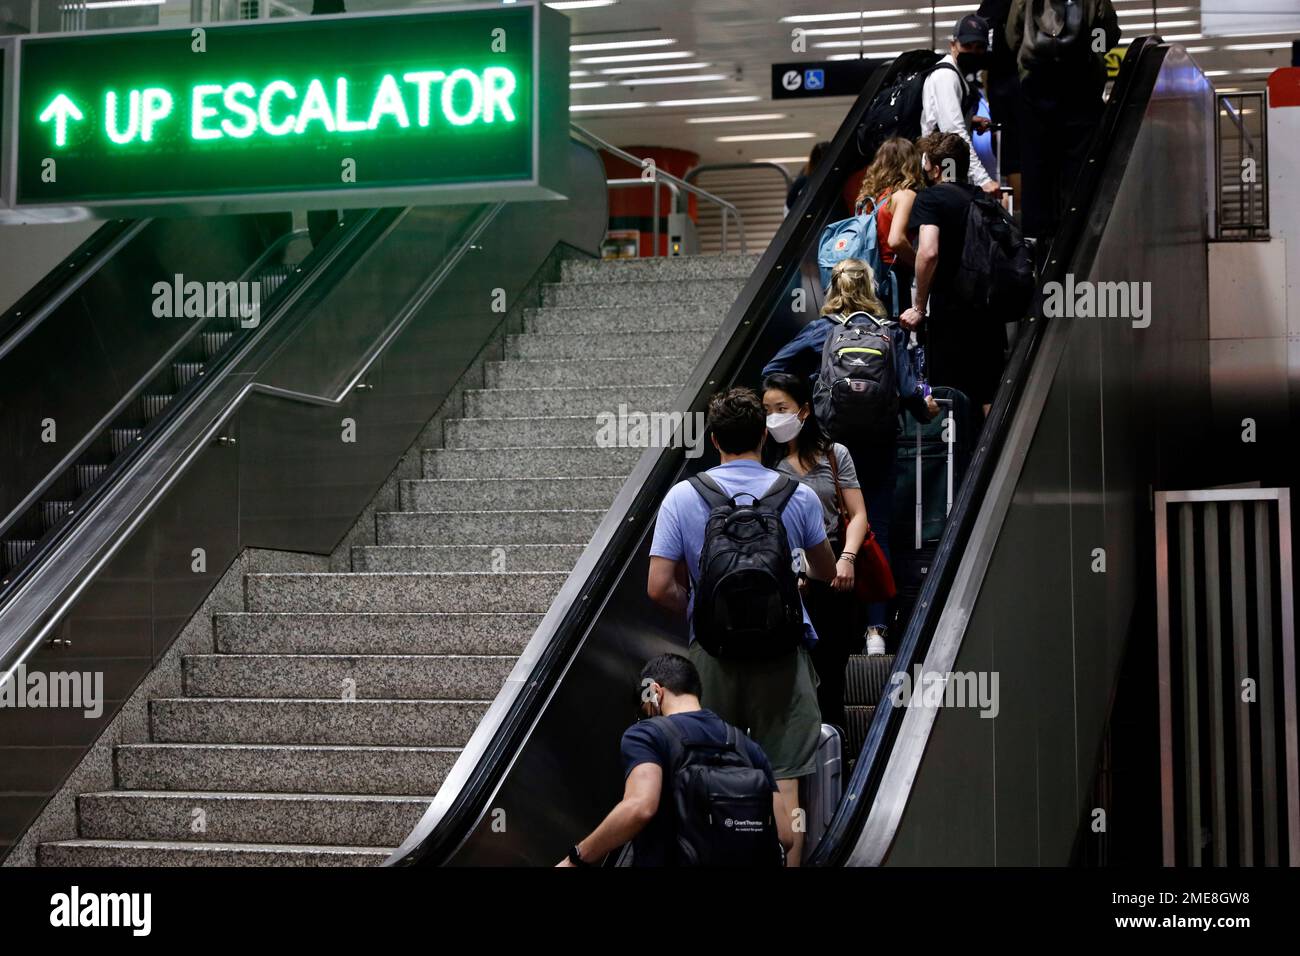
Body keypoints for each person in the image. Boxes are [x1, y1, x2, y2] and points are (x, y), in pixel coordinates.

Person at [647, 387, 835, 866]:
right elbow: (826, 571)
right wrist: (795, 583)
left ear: (714, 440)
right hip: (781, 655)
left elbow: (658, 586)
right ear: (764, 438)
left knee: (711, 773)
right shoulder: (799, 495)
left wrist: (697, 608)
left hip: (712, 654)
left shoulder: (682, 497)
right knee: (784, 776)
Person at [762, 259, 935, 658]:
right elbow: (910, 392)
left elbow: (773, 369)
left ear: (832, 287)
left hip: (830, 445)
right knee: (876, 527)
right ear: (872, 289)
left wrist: (818, 390)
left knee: (816, 526)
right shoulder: (889, 331)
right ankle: (875, 630)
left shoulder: (823, 330)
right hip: (878, 445)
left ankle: (818, 622)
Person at [557, 654, 793, 867]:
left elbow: (640, 807)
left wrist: (576, 858)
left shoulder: (647, 733)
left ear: (656, 691)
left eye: (645, 705)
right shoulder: (745, 745)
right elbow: (784, 835)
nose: (646, 714)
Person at [761, 372, 869, 727]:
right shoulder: (766, 461)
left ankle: (833, 744)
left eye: (782, 408)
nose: (774, 417)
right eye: (767, 410)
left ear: (804, 410)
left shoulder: (834, 455)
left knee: (832, 665)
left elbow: (857, 515)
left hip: (832, 568)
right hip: (786, 577)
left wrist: (847, 559)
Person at [902, 131, 1005, 415]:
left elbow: (929, 252)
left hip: (951, 312)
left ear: (936, 168)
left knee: (950, 394)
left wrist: (919, 306)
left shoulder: (931, 199)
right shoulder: (983, 199)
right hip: (988, 309)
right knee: (988, 391)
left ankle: (960, 457)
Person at [1007, 0, 1120, 241]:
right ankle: (1076, 236)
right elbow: (1108, 33)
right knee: (1080, 167)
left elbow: (1012, 37)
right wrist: (1095, 47)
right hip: (1080, 88)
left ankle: (1037, 243)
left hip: (1036, 86)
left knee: (1036, 167)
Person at [920, 14, 1000, 197]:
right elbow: (953, 133)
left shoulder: (957, 73)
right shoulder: (946, 76)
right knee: (949, 210)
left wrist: (969, 121)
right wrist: (983, 181)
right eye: (967, 46)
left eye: (979, 47)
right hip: (942, 165)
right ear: (952, 45)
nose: (973, 52)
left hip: (946, 162)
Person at [854, 137, 927, 315]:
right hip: (892, 274)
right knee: (897, 332)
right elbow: (896, 240)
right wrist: (919, 264)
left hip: (867, 273)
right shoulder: (905, 195)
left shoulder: (869, 197)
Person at [978, 0, 1024, 211]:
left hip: (1003, 88)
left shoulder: (991, 7)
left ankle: (1021, 216)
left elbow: (984, 57)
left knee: (1014, 158)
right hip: (1027, 80)